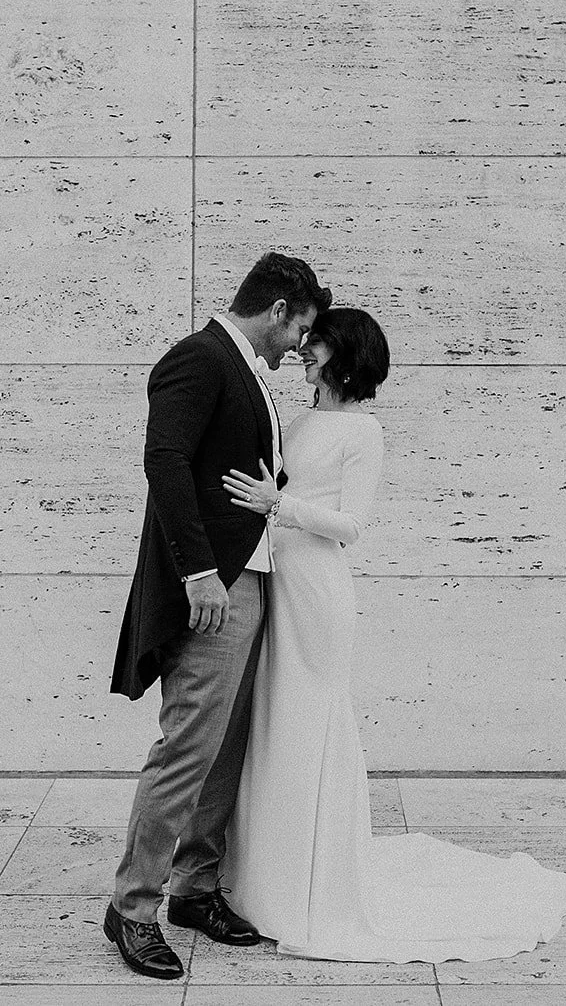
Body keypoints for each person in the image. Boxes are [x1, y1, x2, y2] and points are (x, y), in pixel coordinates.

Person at [218, 307, 566, 963]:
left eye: (317, 343)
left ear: (345, 355)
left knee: (311, 722)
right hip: (280, 580)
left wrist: (280, 505)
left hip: (317, 592)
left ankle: (312, 888)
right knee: (277, 723)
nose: (304, 349)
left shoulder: (364, 431)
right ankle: (268, 880)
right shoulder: (302, 421)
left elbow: (352, 524)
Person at [106, 251, 331, 980]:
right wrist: (198, 572)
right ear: (277, 309)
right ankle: (132, 907)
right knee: (188, 749)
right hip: (213, 589)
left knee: (226, 749)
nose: (299, 345)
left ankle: (195, 889)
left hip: (253, 579)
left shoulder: (246, 371)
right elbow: (164, 460)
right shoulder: (198, 359)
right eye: (299, 328)